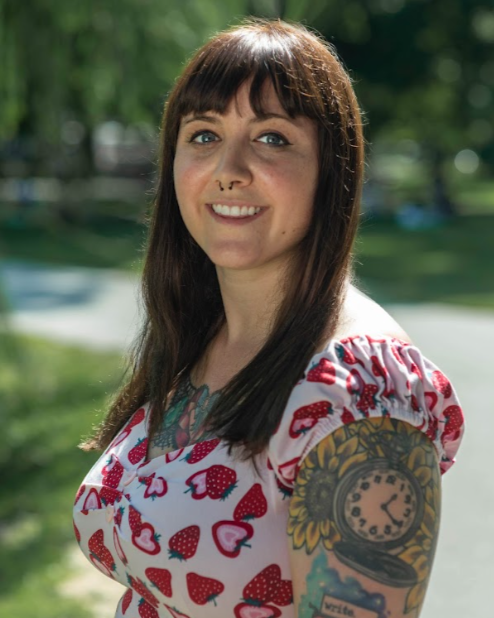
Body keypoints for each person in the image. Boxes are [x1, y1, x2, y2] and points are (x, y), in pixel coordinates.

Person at [73, 19, 464, 618]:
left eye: (272, 139)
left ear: (332, 170)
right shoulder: (199, 335)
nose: (229, 168)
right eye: (203, 135)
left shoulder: (362, 393)